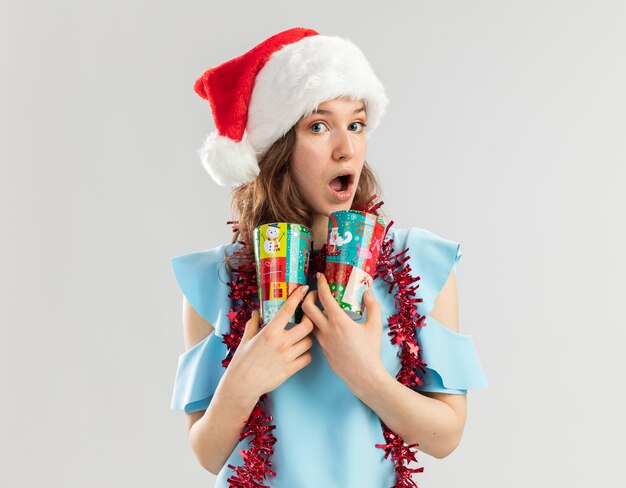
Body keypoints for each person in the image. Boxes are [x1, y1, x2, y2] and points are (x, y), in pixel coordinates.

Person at [169, 27, 488, 487]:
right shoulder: (219, 277)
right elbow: (207, 452)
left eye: (356, 124)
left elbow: (446, 435)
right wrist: (241, 383)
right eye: (319, 126)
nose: (347, 147)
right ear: (278, 146)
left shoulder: (418, 262)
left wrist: (367, 376)